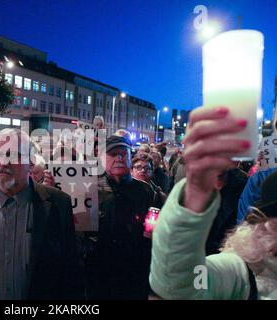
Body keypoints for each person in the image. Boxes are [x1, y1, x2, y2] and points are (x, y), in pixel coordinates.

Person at [149, 106, 277, 300]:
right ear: (268, 225)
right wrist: (192, 200)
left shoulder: (243, 182)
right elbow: (184, 287)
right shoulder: (243, 273)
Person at [0, 129, 83, 299]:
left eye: (12, 154)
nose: (3, 162)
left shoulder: (58, 204)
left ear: (31, 163)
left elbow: (70, 271)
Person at [82, 135, 154, 299]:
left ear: (130, 157)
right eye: (113, 154)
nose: (119, 158)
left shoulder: (146, 191)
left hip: (135, 272)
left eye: (123, 153)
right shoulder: (89, 189)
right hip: (99, 272)